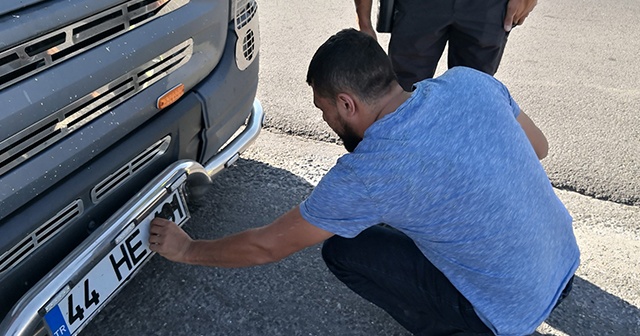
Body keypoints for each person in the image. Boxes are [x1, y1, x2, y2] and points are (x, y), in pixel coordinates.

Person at [149, 29, 579, 335]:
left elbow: (268, 245)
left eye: (325, 112)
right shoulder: (469, 82)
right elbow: (538, 147)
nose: (326, 121)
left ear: (347, 103)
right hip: (563, 264)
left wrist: (187, 249)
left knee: (345, 250)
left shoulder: (370, 172)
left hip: (505, 313)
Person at [354, 0, 538, 90]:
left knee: (473, 95)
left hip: (486, 6)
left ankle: (460, 163)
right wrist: (364, 21)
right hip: (419, 5)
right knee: (401, 98)